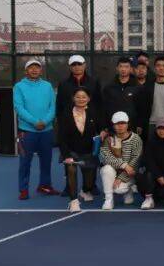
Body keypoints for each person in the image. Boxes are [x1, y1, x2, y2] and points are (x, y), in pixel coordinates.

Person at [13, 58, 59, 200]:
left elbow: (53, 106)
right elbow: (19, 108)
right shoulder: (19, 87)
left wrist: (45, 121)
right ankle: (23, 189)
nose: (34, 70)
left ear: (40, 70)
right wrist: (34, 122)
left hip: (46, 130)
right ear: (26, 71)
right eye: (31, 67)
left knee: (46, 160)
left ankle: (45, 185)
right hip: (27, 131)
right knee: (25, 162)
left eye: (37, 67)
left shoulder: (47, 86)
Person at [57, 87, 101, 211]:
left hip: (88, 151)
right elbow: (61, 137)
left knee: (89, 182)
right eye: (78, 97)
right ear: (73, 98)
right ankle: (73, 201)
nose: (81, 99)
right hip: (71, 151)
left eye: (84, 97)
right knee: (71, 170)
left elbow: (101, 127)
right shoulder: (66, 114)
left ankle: (85, 190)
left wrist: (103, 132)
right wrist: (66, 155)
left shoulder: (94, 112)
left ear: (88, 99)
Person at [99, 111, 143, 210]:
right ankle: (108, 199)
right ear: (113, 125)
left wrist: (120, 178)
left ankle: (129, 190)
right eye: (117, 124)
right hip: (115, 170)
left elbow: (135, 162)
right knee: (106, 169)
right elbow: (105, 157)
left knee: (118, 190)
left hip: (130, 173)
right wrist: (123, 165)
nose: (120, 126)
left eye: (123, 123)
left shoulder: (136, 139)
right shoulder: (108, 139)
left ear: (128, 124)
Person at [56, 54, 102, 123]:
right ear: (70, 67)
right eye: (73, 64)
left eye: (79, 64)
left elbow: (99, 103)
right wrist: (61, 121)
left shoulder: (94, 82)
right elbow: (59, 105)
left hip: (91, 122)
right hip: (69, 122)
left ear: (84, 65)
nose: (77, 67)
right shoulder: (63, 84)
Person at [103, 57, 142, 132]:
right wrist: (105, 126)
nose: (123, 69)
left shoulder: (138, 87)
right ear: (117, 68)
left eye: (126, 67)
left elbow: (141, 108)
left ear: (131, 69)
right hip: (113, 126)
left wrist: (139, 124)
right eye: (121, 66)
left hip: (131, 126)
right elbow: (104, 108)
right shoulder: (109, 87)